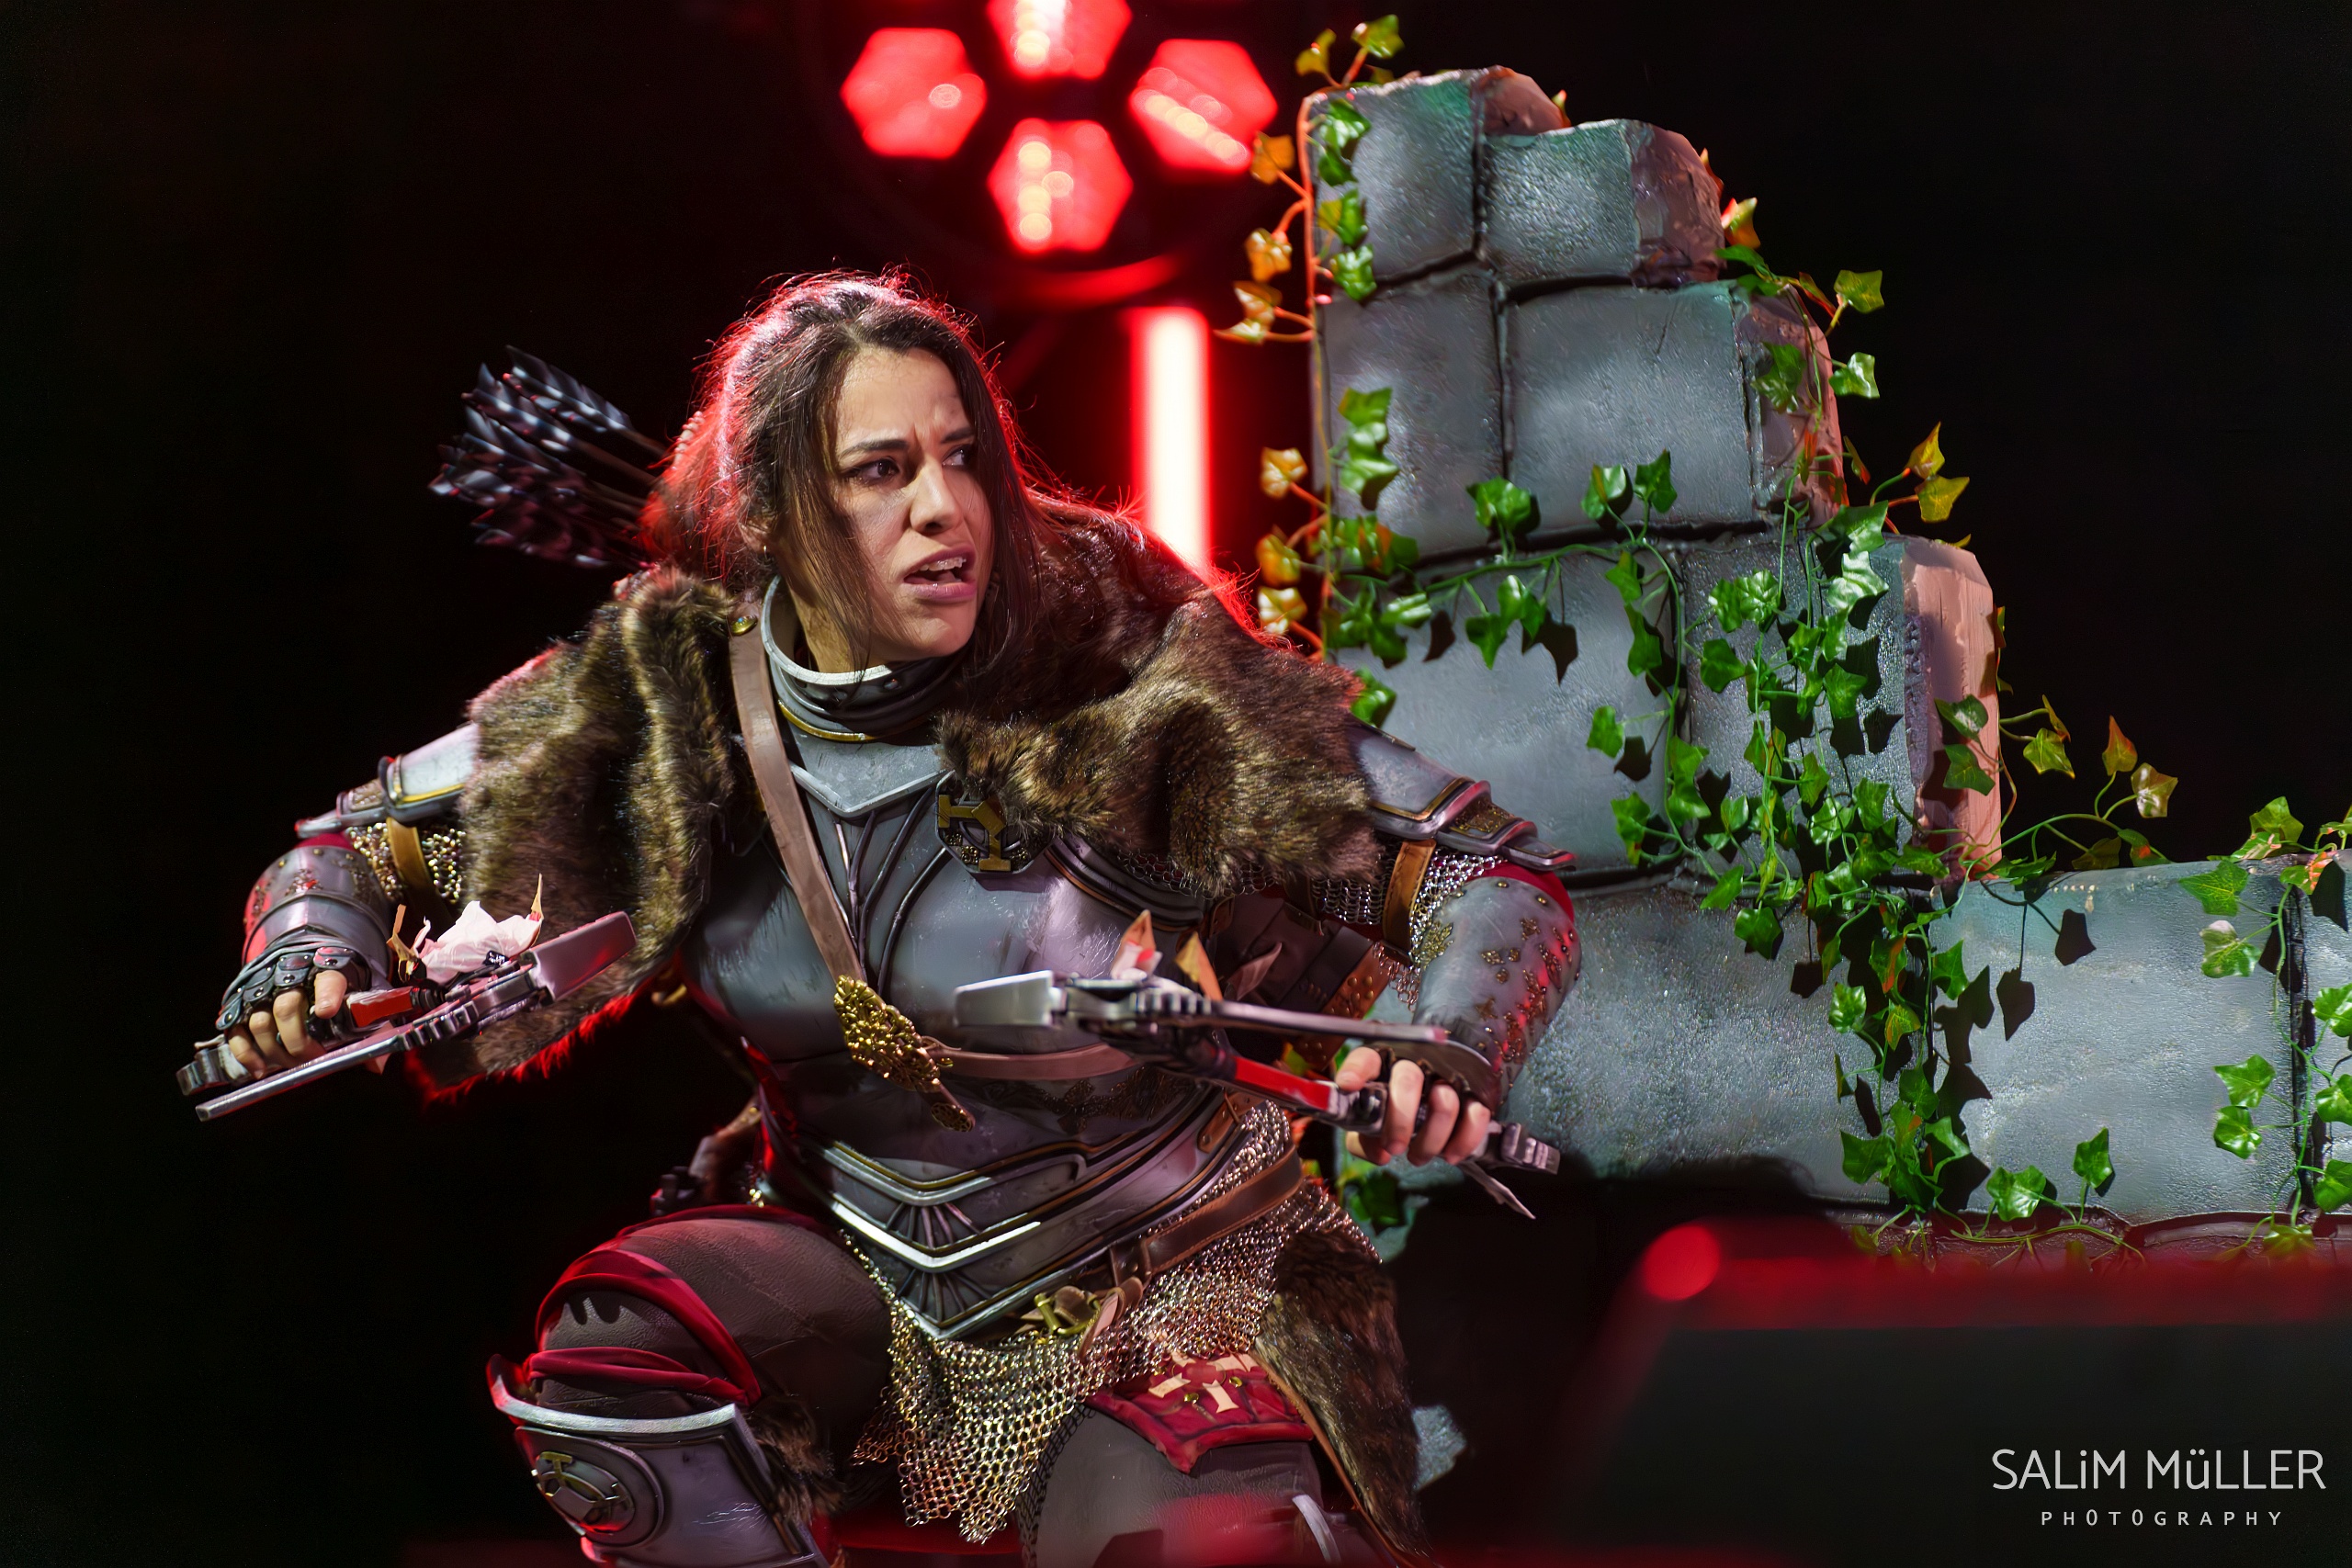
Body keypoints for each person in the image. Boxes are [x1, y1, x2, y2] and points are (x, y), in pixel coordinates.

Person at [211, 274, 1579, 1568]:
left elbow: (1485, 875)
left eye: (963, 457)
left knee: (1186, 1542)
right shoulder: (667, 693)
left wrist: (1448, 1044)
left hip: (1167, 1282)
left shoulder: (1129, 667)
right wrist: (310, 955)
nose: (946, 509)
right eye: (881, 472)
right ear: (772, 512)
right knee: (619, 1369)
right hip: (850, 1263)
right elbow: (355, 849)